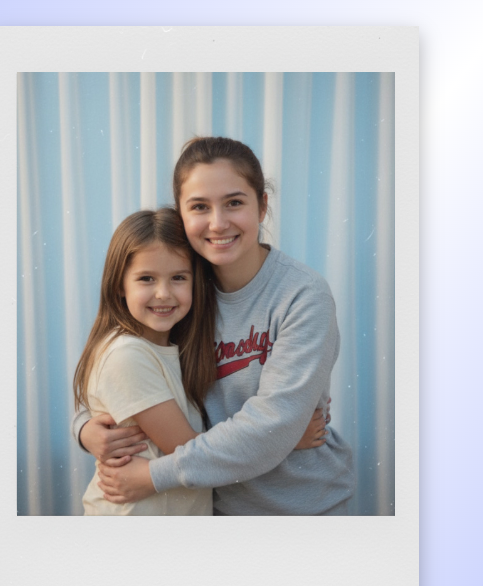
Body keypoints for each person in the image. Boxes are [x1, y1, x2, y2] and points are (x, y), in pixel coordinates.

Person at [76, 137, 355, 515]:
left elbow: (273, 426)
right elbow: (125, 371)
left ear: (263, 206)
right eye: (200, 207)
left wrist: (154, 475)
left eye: (234, 203)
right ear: (182, 214)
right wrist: (85, 426)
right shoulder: (180, 290)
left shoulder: (302, 296)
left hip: (300, 507)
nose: (218, 223)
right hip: (215, 509)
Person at [74, 208, 216, 515]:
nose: (163, 293)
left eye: (178, 277)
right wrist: (281, 440)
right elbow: (189, 454)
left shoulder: (175, 348)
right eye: (146, 278)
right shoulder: (127, 355)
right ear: (119, 287)